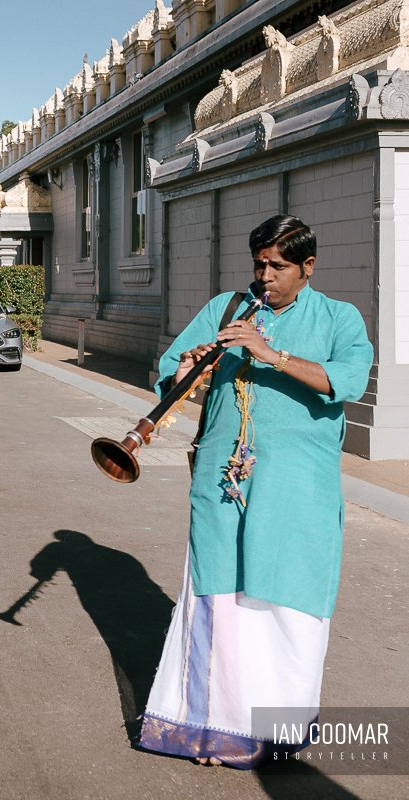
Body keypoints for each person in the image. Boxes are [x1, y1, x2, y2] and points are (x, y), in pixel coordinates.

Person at [137, 215, 373, 768]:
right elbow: (171, 375)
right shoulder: (225, 308)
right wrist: (188, 370)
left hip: (297, 490)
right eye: (259, 264)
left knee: (286, 602)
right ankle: (210, 731)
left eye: (278, 266)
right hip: (222, 483)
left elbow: (349, 382)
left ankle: (275, 734)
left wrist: (271, 354)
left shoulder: (340, 317)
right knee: (219, 599)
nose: (265, 275)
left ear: (307, 267)